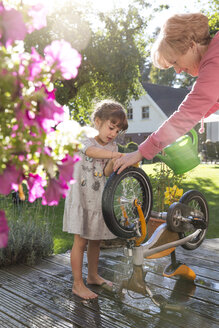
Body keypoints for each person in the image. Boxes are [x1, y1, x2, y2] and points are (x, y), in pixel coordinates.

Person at [114, 13, 219, 174]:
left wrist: (141, 152)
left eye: (175, 62)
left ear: (192, 45)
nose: (177, 71)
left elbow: (188, 113)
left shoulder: (214, 64)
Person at [63, 99, 128, 299]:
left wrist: (115, 159)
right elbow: (90, 152)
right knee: (80, 241)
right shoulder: (86, 138)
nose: (113, 134)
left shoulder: (113, 147)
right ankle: (77, 284)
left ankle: (92, 276)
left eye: (117, 131)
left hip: (98, 198)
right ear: (98, 121)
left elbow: (107, 172)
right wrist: (113, 154)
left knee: (96, 241)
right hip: (81, 197)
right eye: (111, 127)